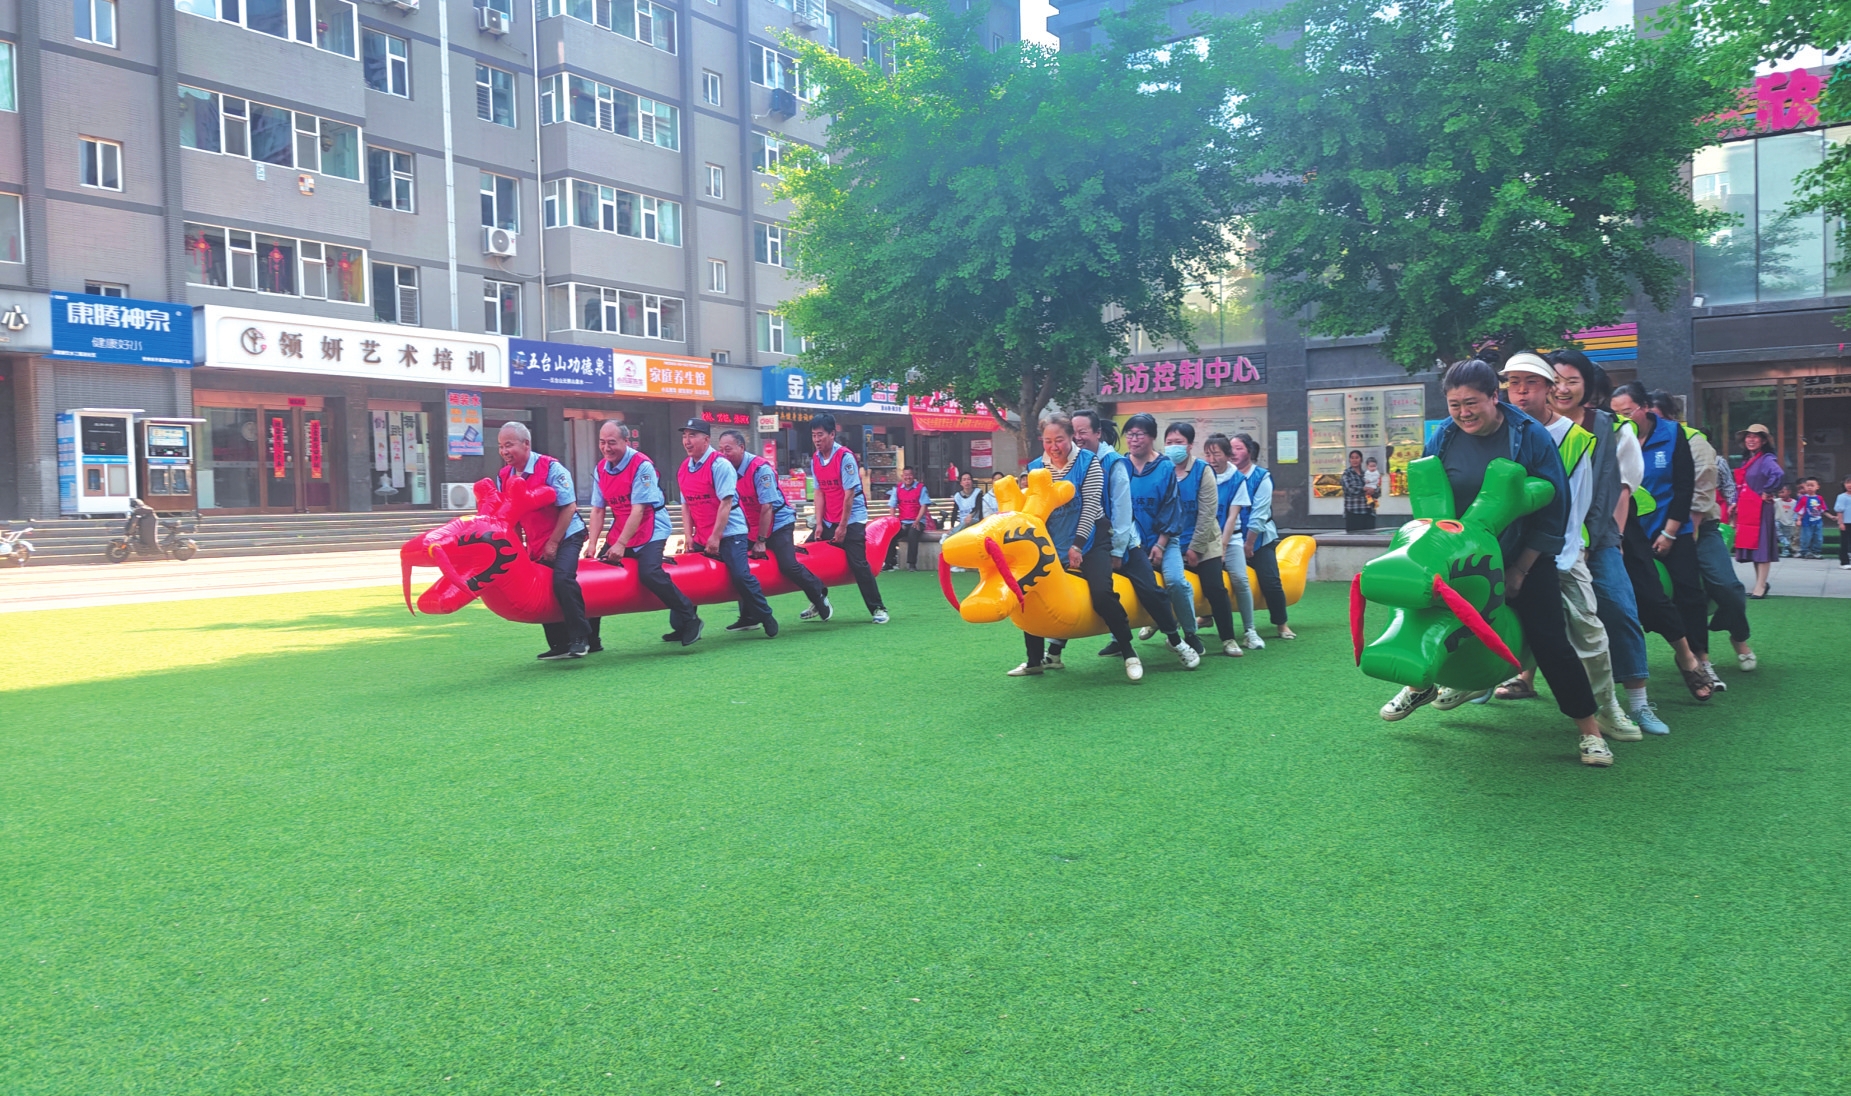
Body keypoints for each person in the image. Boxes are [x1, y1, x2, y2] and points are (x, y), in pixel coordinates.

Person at [1378, 359, 1614, 767]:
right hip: (1460, 557)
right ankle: (1421, 685)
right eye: (1454, 405)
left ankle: (1589, 731)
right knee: (1427, 612)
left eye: (1472, 403)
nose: (1463, 413)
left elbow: (1554, 508)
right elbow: (1431, 499)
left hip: (1520, 553)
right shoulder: (1445, 437)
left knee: (1549, 640)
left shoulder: (1530, 436)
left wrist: (1521, 568)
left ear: (1494, 396)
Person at [1488, 354, 1640, 739]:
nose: (1521, 391)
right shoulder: (1496, 427)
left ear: (1548, 387)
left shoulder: (1574, 437)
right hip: (1506, 549)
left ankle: (1609, 707)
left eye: (1531, 382)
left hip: (1561, 550)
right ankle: (1461, 682)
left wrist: (1570, 554)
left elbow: (1579, 504)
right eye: (1514, 382)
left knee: (1589, 630)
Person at [1009, 412, 1196, 681]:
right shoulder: (1037, 467)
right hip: (1056, 541)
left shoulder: (1101, 462)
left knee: (1126, 590)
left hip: (1105, 537)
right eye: (1048, 441)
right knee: (1035, 589)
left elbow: (1103, 510)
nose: (1054, 446)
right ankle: (1038, 659)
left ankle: (1166, 642)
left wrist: (1104, 549)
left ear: (1090, 434)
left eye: (1061, 439)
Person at [1542, 350, 1669, 734]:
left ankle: (1638, 703)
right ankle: (1498, 678)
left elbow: (1623, 489)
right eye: (1556, 380)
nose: (1563, 389)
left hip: (1598, 538)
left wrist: (1613, 539)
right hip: (1545, 538)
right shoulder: (1531, 425)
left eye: (1572, 381)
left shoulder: (1612, 428)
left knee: (1619, 608)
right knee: (1532, 609)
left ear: (1588, 385)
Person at [1608, 383, 1715, 703]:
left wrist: (1669, 533)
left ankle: (1700, 659)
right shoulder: (1613, 436)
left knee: (1689, 592)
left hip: (1672, 527)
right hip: (1631, 531)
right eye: (1615, 414)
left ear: (1645, 408)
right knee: (1643, 596)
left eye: (1627, 412)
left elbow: (1684, 487)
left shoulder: (1672, 433)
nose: (1621, 419)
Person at [1648, 393, 1755, 681]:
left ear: (1671, 417)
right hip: (1650, 528)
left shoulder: (1693, 440)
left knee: (1725, 586)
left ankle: (1738, 635)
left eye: (1654, 416)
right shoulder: (1632, 439)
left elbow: (1699, 493)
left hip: (1698, 528)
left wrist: (1683, 536)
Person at [582, 420, 702, 649]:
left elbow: (638, 510)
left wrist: (621, 545)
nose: (606, 448)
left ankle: (690, 619)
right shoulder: (600, 469)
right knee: (597, 574)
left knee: (649, 573)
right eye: (602, 442)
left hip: (651, 524)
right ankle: (591, 638)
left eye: (612, 442)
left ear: (626, 442)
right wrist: (592, 544)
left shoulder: (642, 465)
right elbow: (598, 509)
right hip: (621, 525)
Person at [495, 422, 590, 660]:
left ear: (526, 444)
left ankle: (581, 637)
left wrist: (554, 543)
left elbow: (569, 507)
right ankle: (559, 643)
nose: (504, 451)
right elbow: (511, 517)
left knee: (562, 579)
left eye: (509, 445)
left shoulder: (551, 468)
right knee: (540, 584)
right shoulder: (504, 476)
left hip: (567, 533)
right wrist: (518, 548)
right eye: (501, 446)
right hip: (536, 539)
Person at [716, 429, 832, 623]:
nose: (723, 454)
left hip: (778, 521)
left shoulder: (761, 469)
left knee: (787, 564)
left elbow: (767, 507)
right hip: (751, 523)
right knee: (740, 565)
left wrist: (761, 541)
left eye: (728, 449)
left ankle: (819, 593)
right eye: (720, 450)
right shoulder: (725, 469)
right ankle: (749, 616)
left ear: (741, 447)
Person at [676, 419, 778, 638]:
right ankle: (684, 626)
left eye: (692, 436)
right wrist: (688, 536)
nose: (687, 441)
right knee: (686, 576)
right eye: (684, 436)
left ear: (706, 439)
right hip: (703, 533)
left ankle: (766, 615)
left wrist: (715, 537)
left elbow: (726, 503)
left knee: (740, 575)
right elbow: (686, 505)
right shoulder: (684, 468)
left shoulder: (719, 465)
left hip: (731, 532)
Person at [1123, 413, 1205, 655]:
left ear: (1152, 437)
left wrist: (1160, 544)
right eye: (1129, 434)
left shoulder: (1166, 467)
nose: (1133, 440)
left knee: (1176, 582)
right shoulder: (1120, 465)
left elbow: (1170, 507)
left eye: (1139, 434)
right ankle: (1119, 639)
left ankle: (1190, 633)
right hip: (1131, 543)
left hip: (1164, 539)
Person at [1166, 421, 1242, 657]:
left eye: (1178, 442)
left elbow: (1208, 512)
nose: (1173, 447)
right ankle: (1164, 627)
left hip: (1204, 541)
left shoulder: (1202, 470)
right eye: (1169, 442)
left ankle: (1228, 638)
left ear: (1190, 445)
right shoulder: (1162, 469)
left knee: (1214, 587)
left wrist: (1196, 548)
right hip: (1170, 540)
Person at [806, 413, 889, 624]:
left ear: (832, 434)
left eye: (820, 435)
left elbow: (849, 495)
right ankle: (819, 600)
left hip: (852, 518)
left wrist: (842, 527)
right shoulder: (815, 459)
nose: (816, 439)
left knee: (858, 563)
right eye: (814, 435)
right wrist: (818, 523)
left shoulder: (845, 458)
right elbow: (819, 492)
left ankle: (878, 608)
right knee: (805, 557)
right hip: (828, 518)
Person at [1205, 432, 1266, 649]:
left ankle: (1250, 631)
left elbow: (1232, 517)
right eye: (1208, 454)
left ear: (1227, 455)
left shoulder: (1238, 480)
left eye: (1216, 454)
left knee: (1240, 579)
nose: (1212, 459)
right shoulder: (1201, 475)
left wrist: (1222, 547)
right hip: (1203, 539)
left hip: (1231, 540)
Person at [1232, 432, 1295, 640]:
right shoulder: (1226, 475)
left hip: (1259, 539)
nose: (1233, 452)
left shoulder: (1261, 477)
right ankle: (1206, 616)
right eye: (1231, 448)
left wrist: (1249, 544)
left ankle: (1281, 624)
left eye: (1239, 448)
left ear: (1249, 452)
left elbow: (1259, 515)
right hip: (1230, 538)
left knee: (1270, 580)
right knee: (1212, 576)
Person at [1733, 424, 1782, 597]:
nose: (1751, 440)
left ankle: (1760, 586)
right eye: (1748, 436)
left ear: (1763, 441)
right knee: (1754, 546)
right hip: (1747, 507)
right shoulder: (1748, 460)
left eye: (1755, 437)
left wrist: (1767, 491)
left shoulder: (1767, 459)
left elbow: (1778, 474)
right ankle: (1760, 584)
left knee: (1762, 546)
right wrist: (1734, 502)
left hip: (1760, 508)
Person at [884, 467, 932, 572]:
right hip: (903, 521)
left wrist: (917, 521)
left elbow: (924, 506)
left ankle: (912, 564)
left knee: (912, 533)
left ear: (913, 476)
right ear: (902, 476)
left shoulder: (921, 488)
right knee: (890, 534)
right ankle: (889, 562)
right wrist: (894, 522)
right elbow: (892, 506)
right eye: (906, 475)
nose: (908, 477)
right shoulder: (897, 488)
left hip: (917, 521)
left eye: (910, 475)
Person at [1341, 450, 1374, 532]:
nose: (1354, 460)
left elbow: (1377, 489)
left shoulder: (1367, 474)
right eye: (1352, 458)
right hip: (1353, 511)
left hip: (1368, 512)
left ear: (1361, 459)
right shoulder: (1347, 474)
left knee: (1370, 538)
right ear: (1349, 460)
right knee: (1355, 538)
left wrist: (1373, 490)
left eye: (1357, 457)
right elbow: (1350, 489)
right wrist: (1364, 489)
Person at [1795, 478, 1827, 559]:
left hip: (1818, 521)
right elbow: (1800, 510)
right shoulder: (1803, 498)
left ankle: (1816, 551)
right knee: (1806, 537)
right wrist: (1799, 519)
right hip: (1807, 522)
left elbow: (1823, 510)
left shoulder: (1819, 498)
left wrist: (1831, 516)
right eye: (1807, 485)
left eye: (1812, 485)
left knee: (1818, 538)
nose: (1809, 487)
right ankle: (1804, 551)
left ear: (1817, 487)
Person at [1774, 485, 1799, 559]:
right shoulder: (1776, 501)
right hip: (1779, 521)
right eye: (1779, 493)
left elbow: (1796, 512)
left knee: (1788, 537)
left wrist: (1795, 520)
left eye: (1782, 492)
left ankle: (1786, 552)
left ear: (1789, 492)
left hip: (1789, 523)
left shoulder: (1794, 502)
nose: (1780, 494)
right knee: (1777, 532)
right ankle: (1786, 543)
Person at [1834, 474, 1851, 569]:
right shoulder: (1841, 497)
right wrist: (1841, 523)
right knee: (1845, 542)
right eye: (1847, 482)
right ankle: (1844, 562)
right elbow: (1839, 511)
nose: (1849, 485)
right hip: (1846, 523)